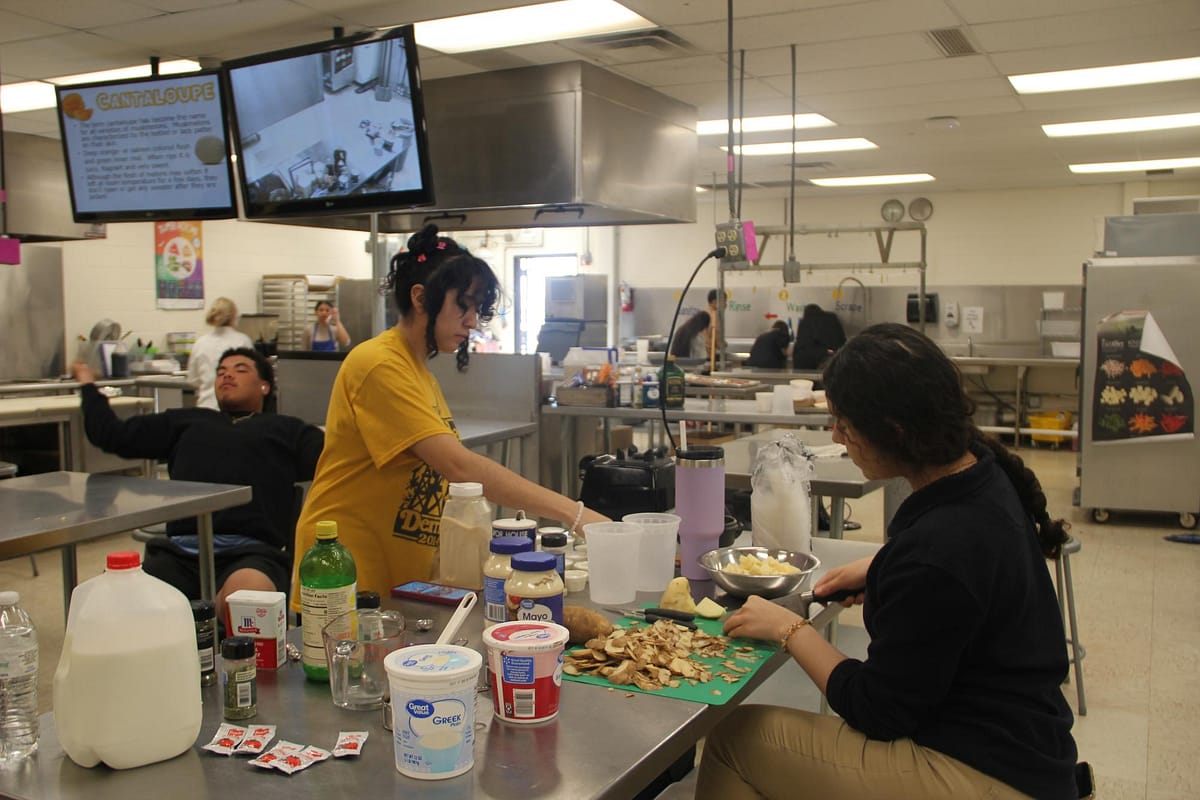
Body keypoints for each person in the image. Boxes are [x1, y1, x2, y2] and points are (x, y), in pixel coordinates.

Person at [697, 322, 1078, 800]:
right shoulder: (981, 477)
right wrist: (884, 566)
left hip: (987, 772)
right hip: (1031, 749)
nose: (835, 434)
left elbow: (877, 709)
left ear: (894, 430)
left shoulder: (939, 550)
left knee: (737, 740)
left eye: (844, 423)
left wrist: (790, 630)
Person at [292, 225, 609, 606]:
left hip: (397, 580)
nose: (472, 321)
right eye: (465, 305)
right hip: (347, 573)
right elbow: (458, 467)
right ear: (421, 298)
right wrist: (575, 515)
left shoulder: (418, 371)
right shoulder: (378, 364)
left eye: (477, 309)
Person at [72, 348, 324, 623]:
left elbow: (336, 457)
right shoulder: (186, 422)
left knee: (246, 604)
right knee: (122, 611)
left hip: (251, 553)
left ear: (265, 386)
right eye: (221, 371)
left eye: (240, 369)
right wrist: (87, 384)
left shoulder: (288, 430)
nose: (227, 374)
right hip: (179, 552)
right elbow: (111, 435)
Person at [188, 297, 254, 410]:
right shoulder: (242, 341)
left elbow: (193, 380)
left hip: (206, 406)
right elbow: (252, 376)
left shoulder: (200, 343)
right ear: (234, 317)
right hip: (235, 407)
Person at [669, 289, 721, 359]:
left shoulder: (681, 330)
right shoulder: (697, 336)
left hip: (678, 364)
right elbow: (701, 356)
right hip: (692, 365)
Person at [791, 302, 846, 369]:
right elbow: (842, 339)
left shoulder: (806, 322)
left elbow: (804, 345)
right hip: (835, 358)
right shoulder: (832, 319)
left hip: (808, 363)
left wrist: (823, 352)